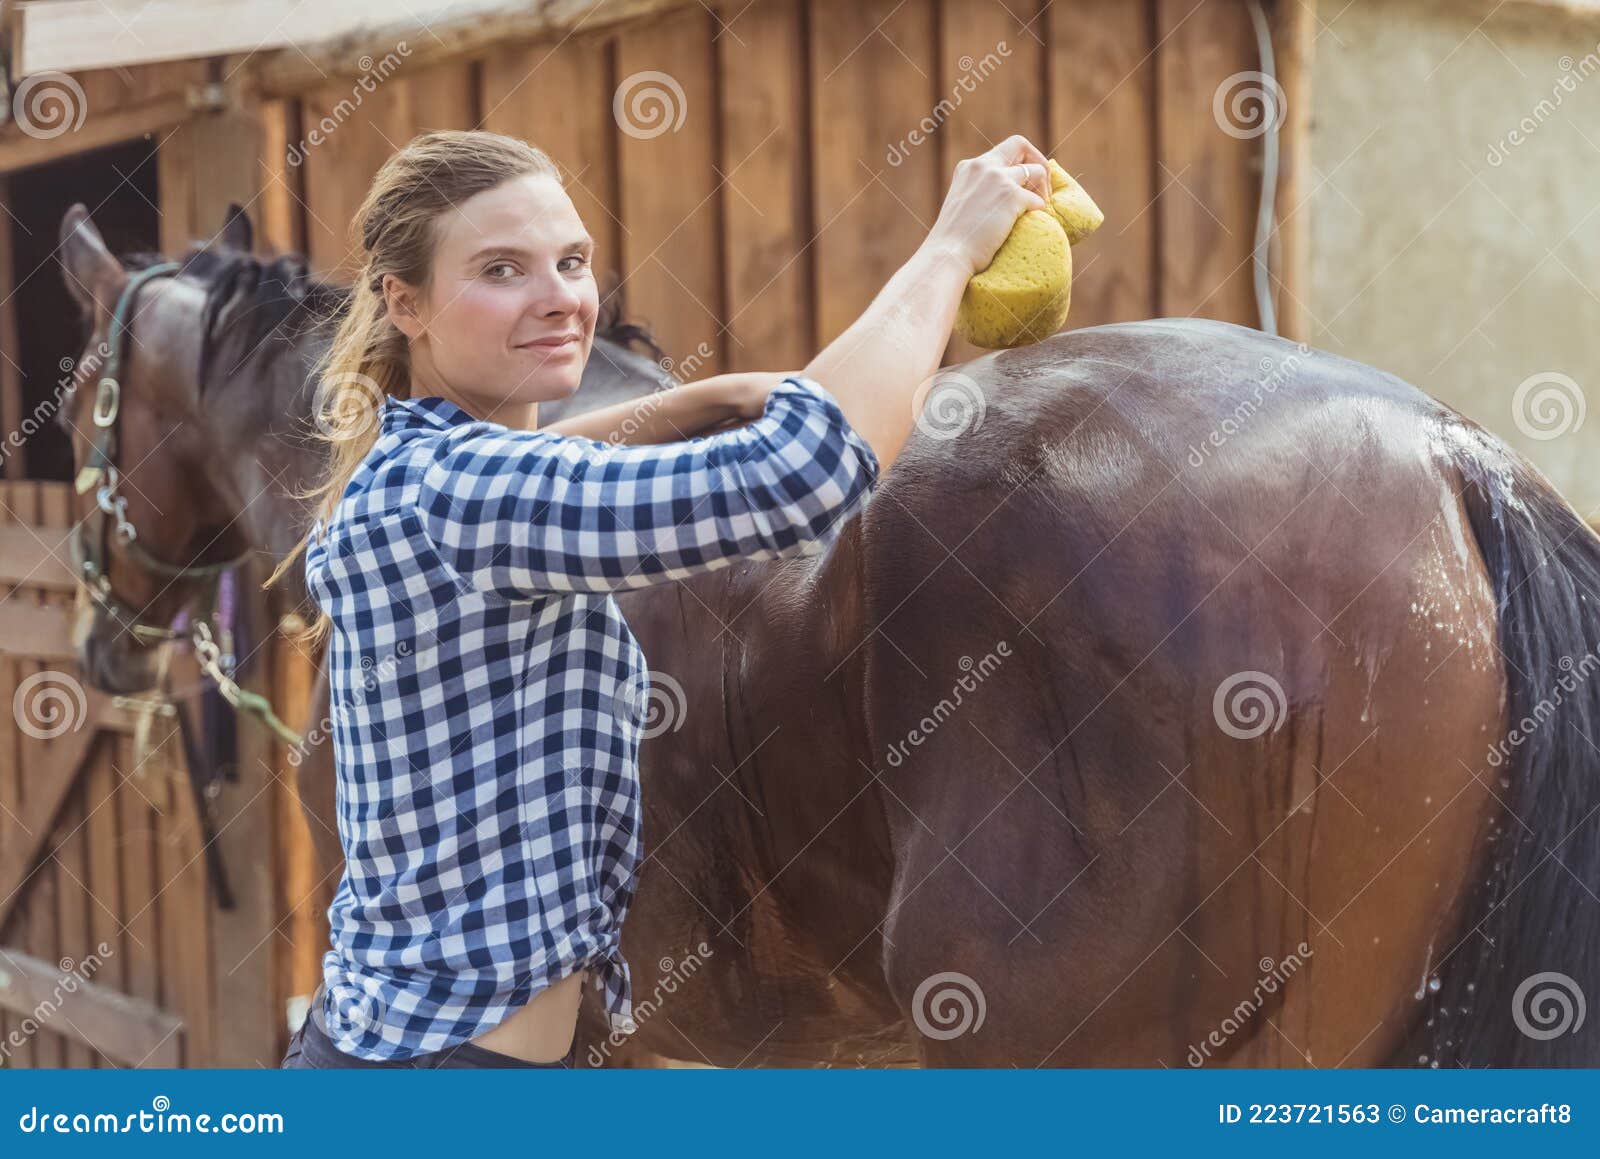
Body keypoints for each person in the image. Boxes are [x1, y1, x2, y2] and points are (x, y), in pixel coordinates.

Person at [271, 127, 1054, 1068]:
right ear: (406, 301)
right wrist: (951, 251)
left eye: (571, 261)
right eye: (501, 269)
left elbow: (533, 469)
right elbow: (803, 472)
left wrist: (688, 403)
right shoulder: (463, 494)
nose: (558, 297)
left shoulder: (409, 472)